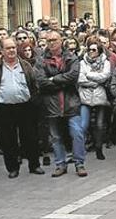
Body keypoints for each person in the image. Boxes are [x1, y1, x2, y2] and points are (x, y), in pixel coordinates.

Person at [37, 31, 86, 177]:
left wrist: (53, 79)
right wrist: (60, 82)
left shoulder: (71, 57)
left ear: (61, 40)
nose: (52, 43)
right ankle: (60, 164)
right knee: (56, 137)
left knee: (77, 133)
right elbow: (41, 81)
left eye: (54, 40)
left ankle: (79, 163)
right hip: (52, 104)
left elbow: (73, 76)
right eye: (49, 40)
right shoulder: (41, 60)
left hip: (71, 102)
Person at [78, 41, 111, 161]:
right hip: (85, 96)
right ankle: (80, 150)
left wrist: (89, 74)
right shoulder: (82, 62)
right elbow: (80, 79)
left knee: (100, 124)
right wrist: (95, 82)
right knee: (83, 125)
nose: (91, 52)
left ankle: (99, 148)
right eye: (89, 49)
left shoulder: (105, 62)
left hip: (99, 96)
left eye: (94, 50)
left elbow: (105, 76)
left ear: (99, 51)